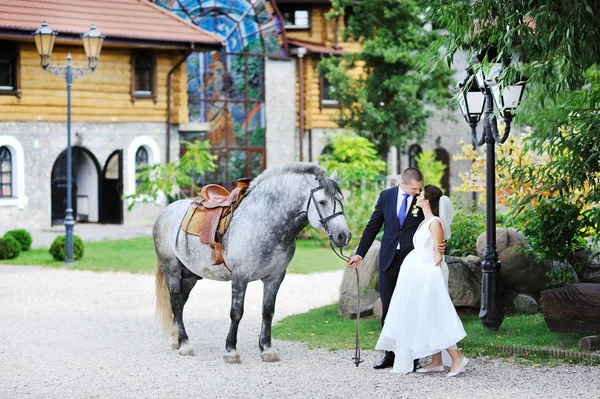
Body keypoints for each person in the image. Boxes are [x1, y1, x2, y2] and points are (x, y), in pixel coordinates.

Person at [346, 168, 443, 370]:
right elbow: (373, 227)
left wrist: (440, 245)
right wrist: (360, 253)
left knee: (412, 308)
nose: (418, 192)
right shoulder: (386, 196)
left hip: (414, 261)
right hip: (388, 259)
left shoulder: (420, 199)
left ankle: (412, 355)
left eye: (420, 188)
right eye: (415, 188)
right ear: (403, 183)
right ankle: (390, 354)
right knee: (389, 308)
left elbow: (434, 222)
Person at [375, 185, 468, 376]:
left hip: (428, 274)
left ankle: (457, 357)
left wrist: (432, 273)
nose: (417, 195)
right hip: (416, 274)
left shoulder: (435, 223)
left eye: (421, 194)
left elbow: (438, 254)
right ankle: (436, 361)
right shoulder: (424, 222)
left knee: (434, 313)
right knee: (425, 314)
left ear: (426, 201)